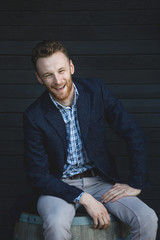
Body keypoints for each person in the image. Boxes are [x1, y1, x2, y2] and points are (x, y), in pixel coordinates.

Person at [23, 40, 158, 240]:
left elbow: (132, 132)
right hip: (57, 186)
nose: (58, 80)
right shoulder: (34, 115)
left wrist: (136, 183)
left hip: (101, 182)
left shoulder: (96, 91)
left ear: (71, 66)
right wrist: (83, 197)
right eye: (48, 75)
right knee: (56, 224)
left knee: (147, 218)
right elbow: (38, 175)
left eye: (61, 71)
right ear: (39, 79)